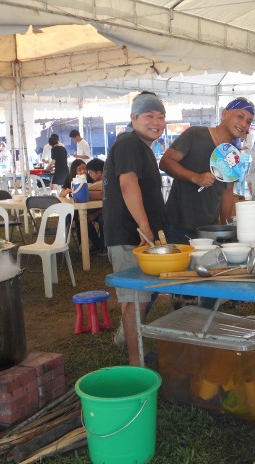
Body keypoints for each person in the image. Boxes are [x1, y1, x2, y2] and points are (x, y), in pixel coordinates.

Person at [103, 91, 167, 366]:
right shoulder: (128, 143)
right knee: (135, 301)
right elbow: (128, 185)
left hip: (137, 236)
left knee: (139, 298)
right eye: (149, 116)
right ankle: (135, 361)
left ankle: (134, 349)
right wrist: (145, 228)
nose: (156, 122)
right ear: (134, 118)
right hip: (130, 237)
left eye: (161, 117)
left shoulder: (141, 148)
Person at [159, 97, 255, 243]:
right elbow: (166, 162)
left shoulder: (234, 153)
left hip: (210, 230)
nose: (243, 123)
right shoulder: (195, 134)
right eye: (240, 116)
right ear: (224, 114)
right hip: (178, 226)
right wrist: (195, 177)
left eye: (248, 121)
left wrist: (225, 228)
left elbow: (227, 192)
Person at [60, 159, 106, 254]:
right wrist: (68, 191)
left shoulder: (90, 177)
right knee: (77, 216)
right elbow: (61, 193)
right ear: (74, 171)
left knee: (86, 217)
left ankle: (99, 245)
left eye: (84, 168)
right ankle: (88, 244)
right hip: (83, 208)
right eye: (79, 169)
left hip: (96, 208)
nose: (83, 171)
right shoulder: (71, 179)